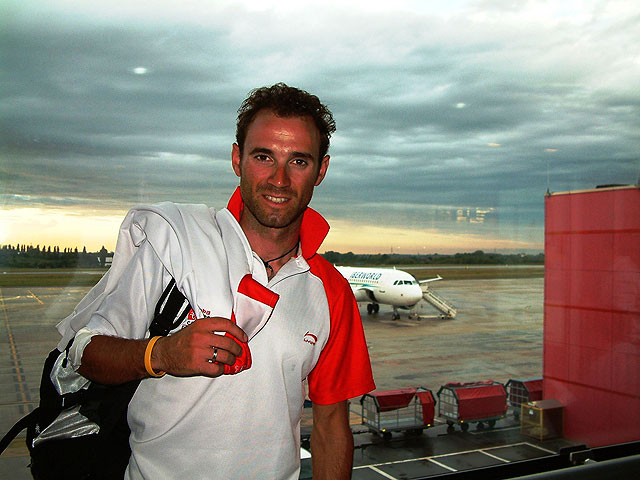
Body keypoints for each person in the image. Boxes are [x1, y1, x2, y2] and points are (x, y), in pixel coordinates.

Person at [59, 83, 376, 479]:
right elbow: (84, 353)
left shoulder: (330, 290)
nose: (279, 179)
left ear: (321, 171)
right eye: (264, 156)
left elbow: (331, 427)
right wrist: (162, 354)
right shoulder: (174, 242)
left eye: (298, 161)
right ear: (237, 158)